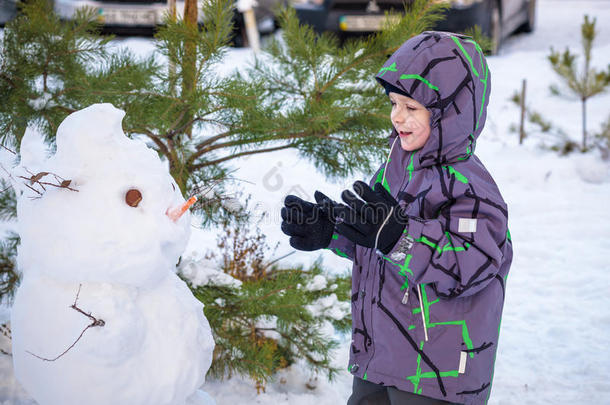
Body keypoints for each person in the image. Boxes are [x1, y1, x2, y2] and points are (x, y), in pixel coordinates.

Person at [280, 31, 512, 405]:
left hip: (437, 374)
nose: (397, 117)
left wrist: (400, 239)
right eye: (394, 104)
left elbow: (471, 266)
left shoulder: (470, 186)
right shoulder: (396, 166)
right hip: (381, 357)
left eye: (412, 108)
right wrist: (333, 231)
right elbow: (377, 239)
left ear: (449, 111)